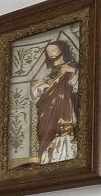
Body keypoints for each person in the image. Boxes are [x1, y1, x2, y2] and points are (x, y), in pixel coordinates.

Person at [30, 35, 80, 166]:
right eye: (48, 51)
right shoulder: (48, 73)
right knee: (46, 132)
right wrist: (38, 84)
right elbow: (36, 95)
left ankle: (66, 154)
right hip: (46, 112)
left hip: (64, 107)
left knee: (64, 130)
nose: (51, 53)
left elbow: (84, 85)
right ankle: (48, 158)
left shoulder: (72, 65)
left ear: (61, 50)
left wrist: (72, 70)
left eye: (54, 50)